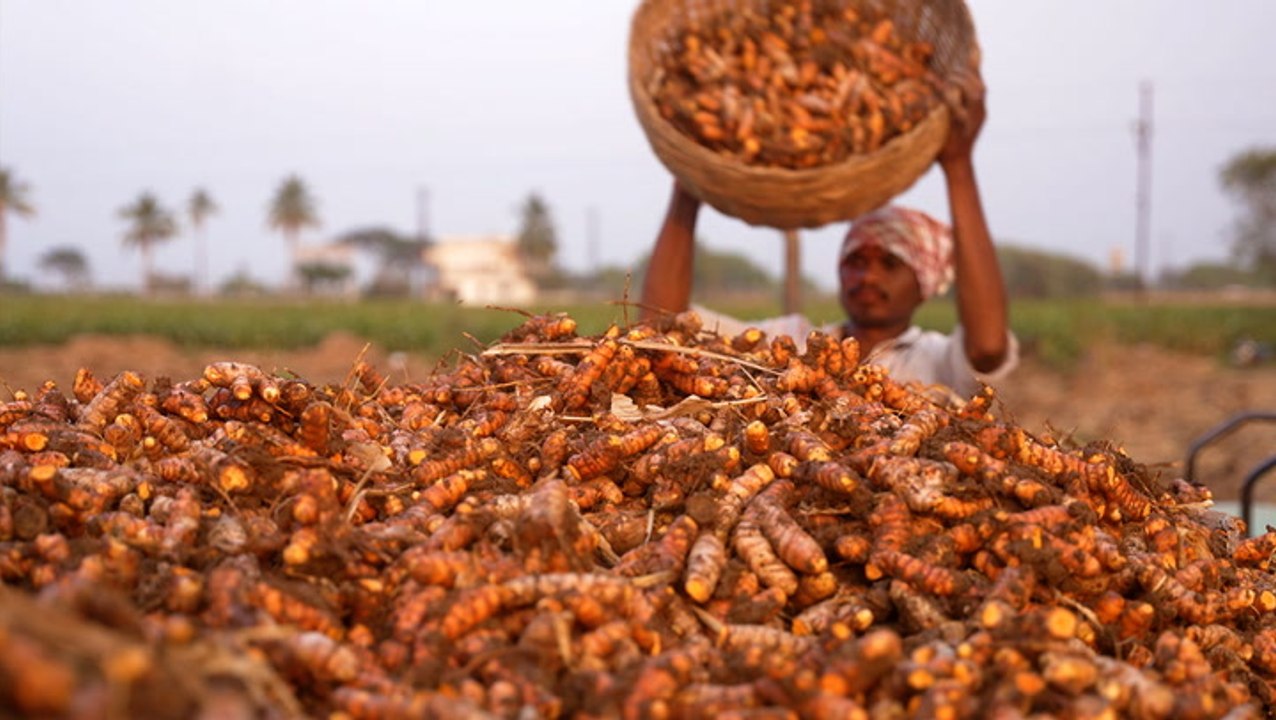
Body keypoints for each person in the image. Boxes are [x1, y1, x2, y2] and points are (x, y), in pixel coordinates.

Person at [639, 70, 1018, 399]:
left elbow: (987, 346)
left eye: (890, 263)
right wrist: (688, 181)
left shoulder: (935, 360)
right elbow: (659, 328)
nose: (867, 277)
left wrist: (958, 164)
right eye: (855, 261)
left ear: (925, 282)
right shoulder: (790, 342)